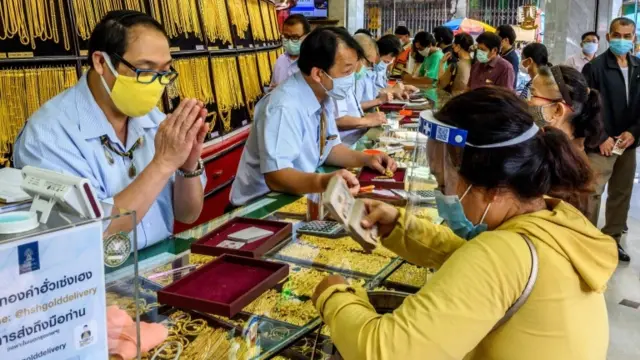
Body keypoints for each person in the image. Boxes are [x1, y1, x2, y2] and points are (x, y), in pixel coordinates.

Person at [312, 87, 617, 360]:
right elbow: (469, 255)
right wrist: (399, 227)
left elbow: (383, 352)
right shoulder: (554, 216)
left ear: (494, 188)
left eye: (444, 182)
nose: (442, 194)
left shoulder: (504, 253)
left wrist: (334, 296)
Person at [13, 11, 207, 249]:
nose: (157, 84)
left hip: (160, 262)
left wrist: (188, 166)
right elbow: (94, 233)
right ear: (101, 62)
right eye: (145, 70)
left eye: (165, 72)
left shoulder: (155, 120)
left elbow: (188, 215)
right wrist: (164, 163)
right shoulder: (47, 135)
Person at [229, 27, 396, 206]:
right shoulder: (284, 106)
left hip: (298, 196)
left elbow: (331, 148)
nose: (352, 77)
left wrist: (367, 159)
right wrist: (324, 182)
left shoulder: (323, 95)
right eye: (347, 71)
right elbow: (277, 176)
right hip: (259, 207)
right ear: (318, 74)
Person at [582, 17, 640, 261]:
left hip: (627, 144)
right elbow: (586, 107)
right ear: (608, 37)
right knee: (591, 193)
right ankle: (583, 243)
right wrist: (602, 136)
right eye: (617, 35)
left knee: (621, 193)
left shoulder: (638, 67)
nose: (622, 41)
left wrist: (634, 132)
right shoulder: (594, 69)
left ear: (635, 39)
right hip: (600, 145)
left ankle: (611, 241)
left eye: (628, 37)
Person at [528, 65, 606, 152]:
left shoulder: (556, 160)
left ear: (558, 110)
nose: (528, 101)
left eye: (532, 94)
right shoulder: (550, 143)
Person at [335, 33, 388, 146]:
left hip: (354, 140)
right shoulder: (338, 81)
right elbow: (338, 119)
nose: (368, 68)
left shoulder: (351, 79)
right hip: (343, 145)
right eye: (368, 63)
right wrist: (366, 121)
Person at [271, 14, 310, 88]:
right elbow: (273, 87)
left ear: (307, 37)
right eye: (286, 36)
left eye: (295, 37)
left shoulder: (314, 63)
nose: (289, 41)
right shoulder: (280, 60)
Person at [496, 24, 519, 88]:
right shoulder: (501, 54)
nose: (495, 40)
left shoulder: (512, 58)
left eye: (497, 38)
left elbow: (512, 83)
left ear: (506, 40)